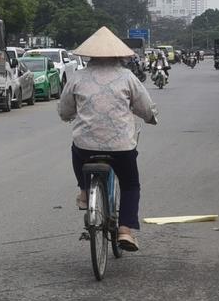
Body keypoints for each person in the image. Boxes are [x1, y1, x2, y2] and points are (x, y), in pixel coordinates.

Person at [58, 27, 158, 251]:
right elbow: (145, 106)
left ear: (89, 55)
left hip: (86, 147)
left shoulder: (77, 78)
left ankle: (84, 190)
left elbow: (64, 110)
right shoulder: (127, 77)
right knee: (131, 184)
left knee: (76, 150)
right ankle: (125, 230)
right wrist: (150, 117)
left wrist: (69, 116)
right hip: (121, 147)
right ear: (118, 55)